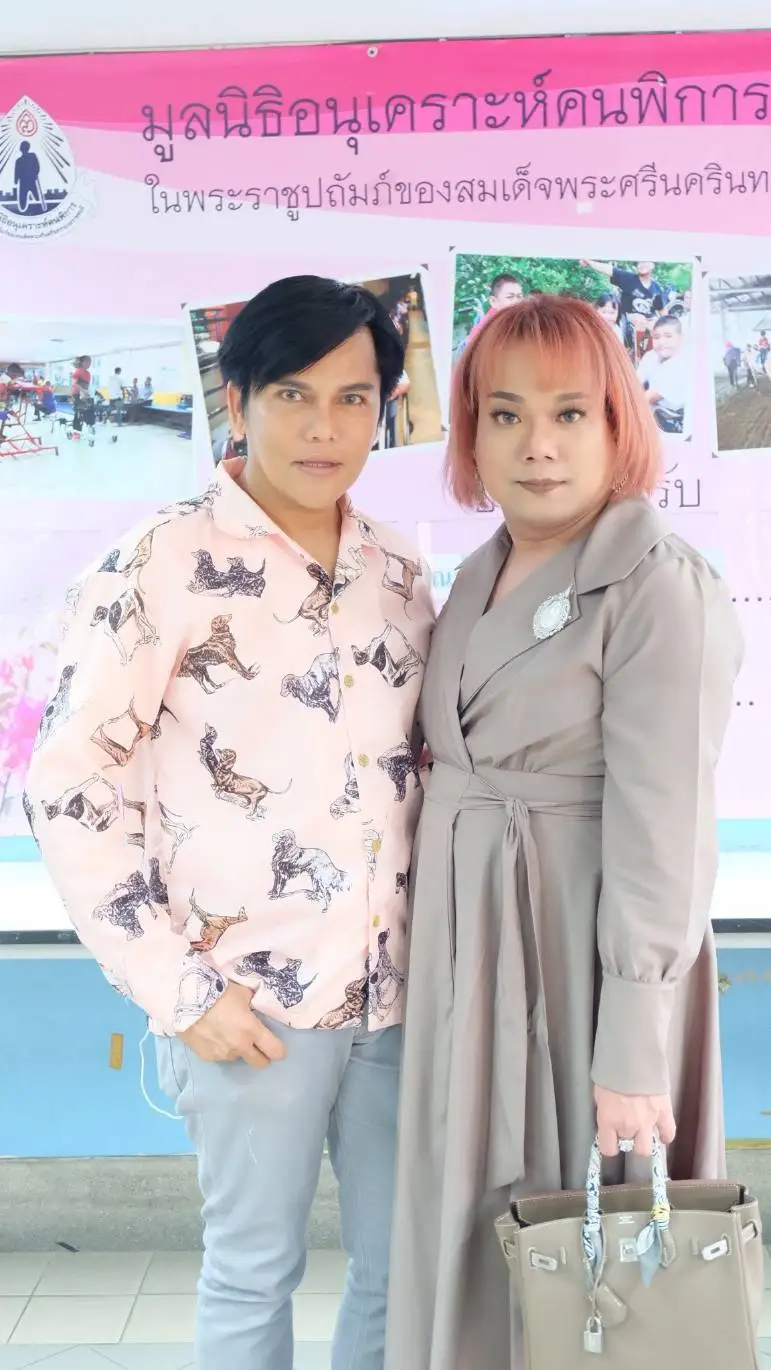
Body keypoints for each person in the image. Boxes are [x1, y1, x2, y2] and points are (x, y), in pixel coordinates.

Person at [24, 275, 435, 1370]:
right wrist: (179, 989)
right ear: (239, 398)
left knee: (402, 1270)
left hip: (399, 997)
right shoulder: (159, 563)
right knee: (254, 1273)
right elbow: (67, 785)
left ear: (384, 408)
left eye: (353, 398)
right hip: (248, 1005)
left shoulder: (400, 571)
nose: (323, 427)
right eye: (293, 393)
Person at [385, 294, 742, 1370]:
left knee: (588, 1261)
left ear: (616, 422)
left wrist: (633, 1041)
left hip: (580, 963)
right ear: (471, 431)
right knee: (473, 1234)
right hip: (470, 959)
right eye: (505, 414)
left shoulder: (656, 585)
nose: (536, 444)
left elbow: (664, 825)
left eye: (569, 413)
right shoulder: (476, 573)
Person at [583, 259, 664, 356]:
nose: (642, 264)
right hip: (629, 318)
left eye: (645, 261)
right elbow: (610, 270)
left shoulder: (656, 288)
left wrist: (662, 322)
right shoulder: (629, 279)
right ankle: (637, 355)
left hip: (648, 322)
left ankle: (652, 355)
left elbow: (661, 309)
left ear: (653, 264)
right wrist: (590, 263)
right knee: (640, 320)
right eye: (639, 262)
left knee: (656, 324)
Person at [636, 314, 689, 434]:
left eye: (668, 336)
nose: (661, 342)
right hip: (653, 410)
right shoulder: (650, 356)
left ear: (680, 338)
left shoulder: (680, 363)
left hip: (675, 420)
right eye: (656, 337)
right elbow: (635, 383)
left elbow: (649, 397)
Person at [467, 273, 525, 345]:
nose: (517, 302)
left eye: (519, 296)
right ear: (493, 301)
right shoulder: (486, 332)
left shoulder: (516, 318)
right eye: (510, 297)